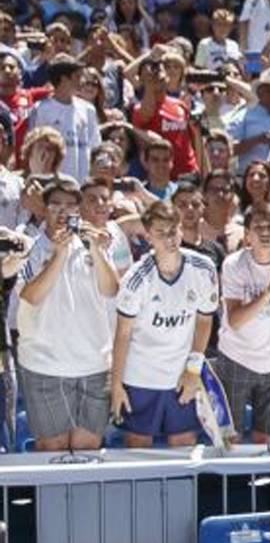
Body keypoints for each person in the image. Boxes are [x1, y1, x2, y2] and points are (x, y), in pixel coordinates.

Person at [15, 178, 120, 451]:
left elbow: (110, 289)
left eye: (72, 205)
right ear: (44, 209)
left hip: (95, 365)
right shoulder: (29, 248)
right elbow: (30, 296)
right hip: (44, 365)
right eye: (56, 205)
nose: (64, 212)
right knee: (53, 450)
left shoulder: (93, 244)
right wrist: (58, 255)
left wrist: (96, 250)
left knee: (88, 449)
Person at [111, 201, 220, 448]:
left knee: (184, 446)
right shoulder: (136, 279)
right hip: (140, 377)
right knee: (137, 449)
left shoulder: (203, 268)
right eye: (160, 233)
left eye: (173, 230)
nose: (169, 238)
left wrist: (193, 370)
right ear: (148, 237)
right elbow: (122, 333)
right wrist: (116, 384)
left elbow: (204, 320)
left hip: (181, 376)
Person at [214, 202, 270, 443]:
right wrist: (268, 292)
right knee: (229, 438)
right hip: (235, 357)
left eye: (269, 226)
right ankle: (230, 481)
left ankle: (263, 482)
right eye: (258, 227)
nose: (264, 232)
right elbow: (234, 320)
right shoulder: (233, 264)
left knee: (267, 440)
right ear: (247, 234)